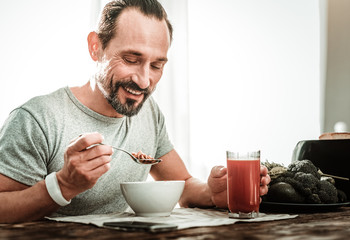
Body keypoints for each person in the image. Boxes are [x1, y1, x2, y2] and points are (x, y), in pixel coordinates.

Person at [0, 0, 270, 223]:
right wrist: (62, 185)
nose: (143, 81)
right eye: (131, 59)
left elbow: (184, 185)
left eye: (156, 65)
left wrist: (212, 193)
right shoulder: (36, 119)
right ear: (96, 47)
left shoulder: (147, 112)